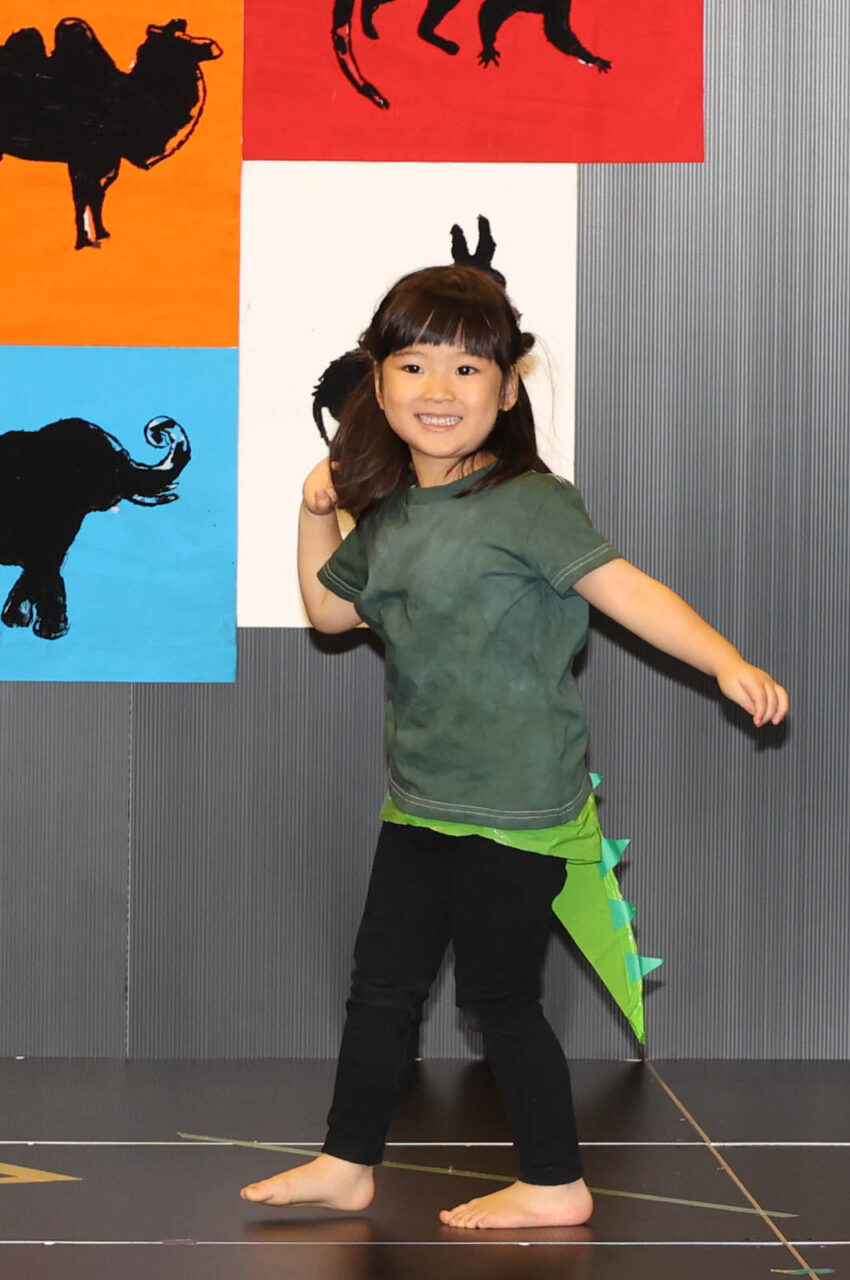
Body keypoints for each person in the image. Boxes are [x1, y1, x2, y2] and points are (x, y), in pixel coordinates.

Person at [239, 264, 788, 1229]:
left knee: (499, 997)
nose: (439, 390)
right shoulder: (392, 511)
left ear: (506, 389)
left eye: (467, 370)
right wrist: (316, 508)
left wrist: (724, 661)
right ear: (379, 384)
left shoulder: (531, 502)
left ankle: (555, 1181)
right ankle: (346, 1161)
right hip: (420, 802)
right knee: (380, 990)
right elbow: (329, 612)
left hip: (521, 809)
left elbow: (627, 592)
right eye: (415, 367)